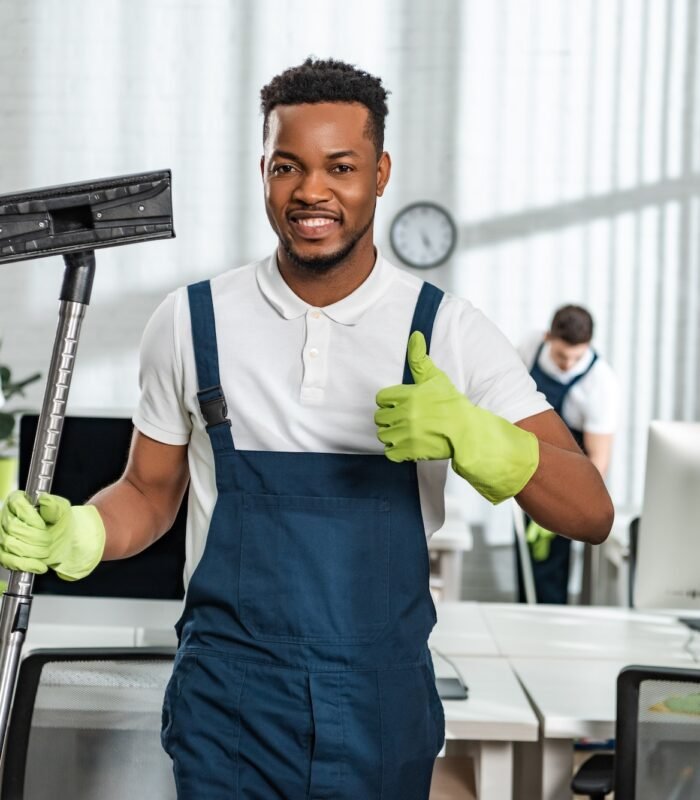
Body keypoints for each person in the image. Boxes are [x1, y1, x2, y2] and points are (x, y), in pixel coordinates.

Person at [0, 59, 613, 799]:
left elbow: (592, 512)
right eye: (288, 166)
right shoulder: (193, 321)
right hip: (226, 706)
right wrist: (86, 533)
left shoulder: (446, 331)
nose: (311, 191)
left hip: (379, 708)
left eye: (341, 166)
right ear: (263, 171)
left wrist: (482, 438)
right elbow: (148, 489)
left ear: (380, 173)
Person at [516, 304, 617, 604]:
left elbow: (598, 458)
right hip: (526, 459)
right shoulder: (530, 347)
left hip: (568, 470)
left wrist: (573, 503)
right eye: (562, 356)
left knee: (553, 563)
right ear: (548, 337)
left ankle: (549, 621)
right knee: (525, 553)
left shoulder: (601, 384)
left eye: (577, 357)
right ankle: (523, 615)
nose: (568, 364)